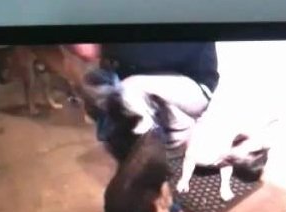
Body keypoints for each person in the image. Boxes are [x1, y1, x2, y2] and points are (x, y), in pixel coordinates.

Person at [69, 42, 219, 149]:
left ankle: (180, 130)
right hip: (147, 84)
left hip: (192, 87)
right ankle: (159, 128)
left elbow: (87, 50)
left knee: (127, 89)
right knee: (97, 82)